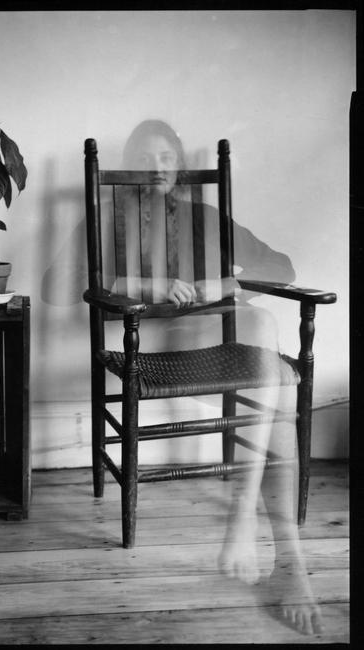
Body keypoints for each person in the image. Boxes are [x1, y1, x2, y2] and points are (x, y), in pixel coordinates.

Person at [119, 119, 324, 636]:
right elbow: (70, 282)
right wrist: (155, 285)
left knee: (268, 328)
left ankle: (262, 533)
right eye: (145, 158)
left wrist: (216, 285)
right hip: (149, 342)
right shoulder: (113, 218)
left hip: (212, 340)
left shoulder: (203, 216)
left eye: (166, 157)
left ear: (180, 167)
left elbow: (282, 268)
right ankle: (275, 548)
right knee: (277, 375)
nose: (157, 167)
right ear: (129, 169)